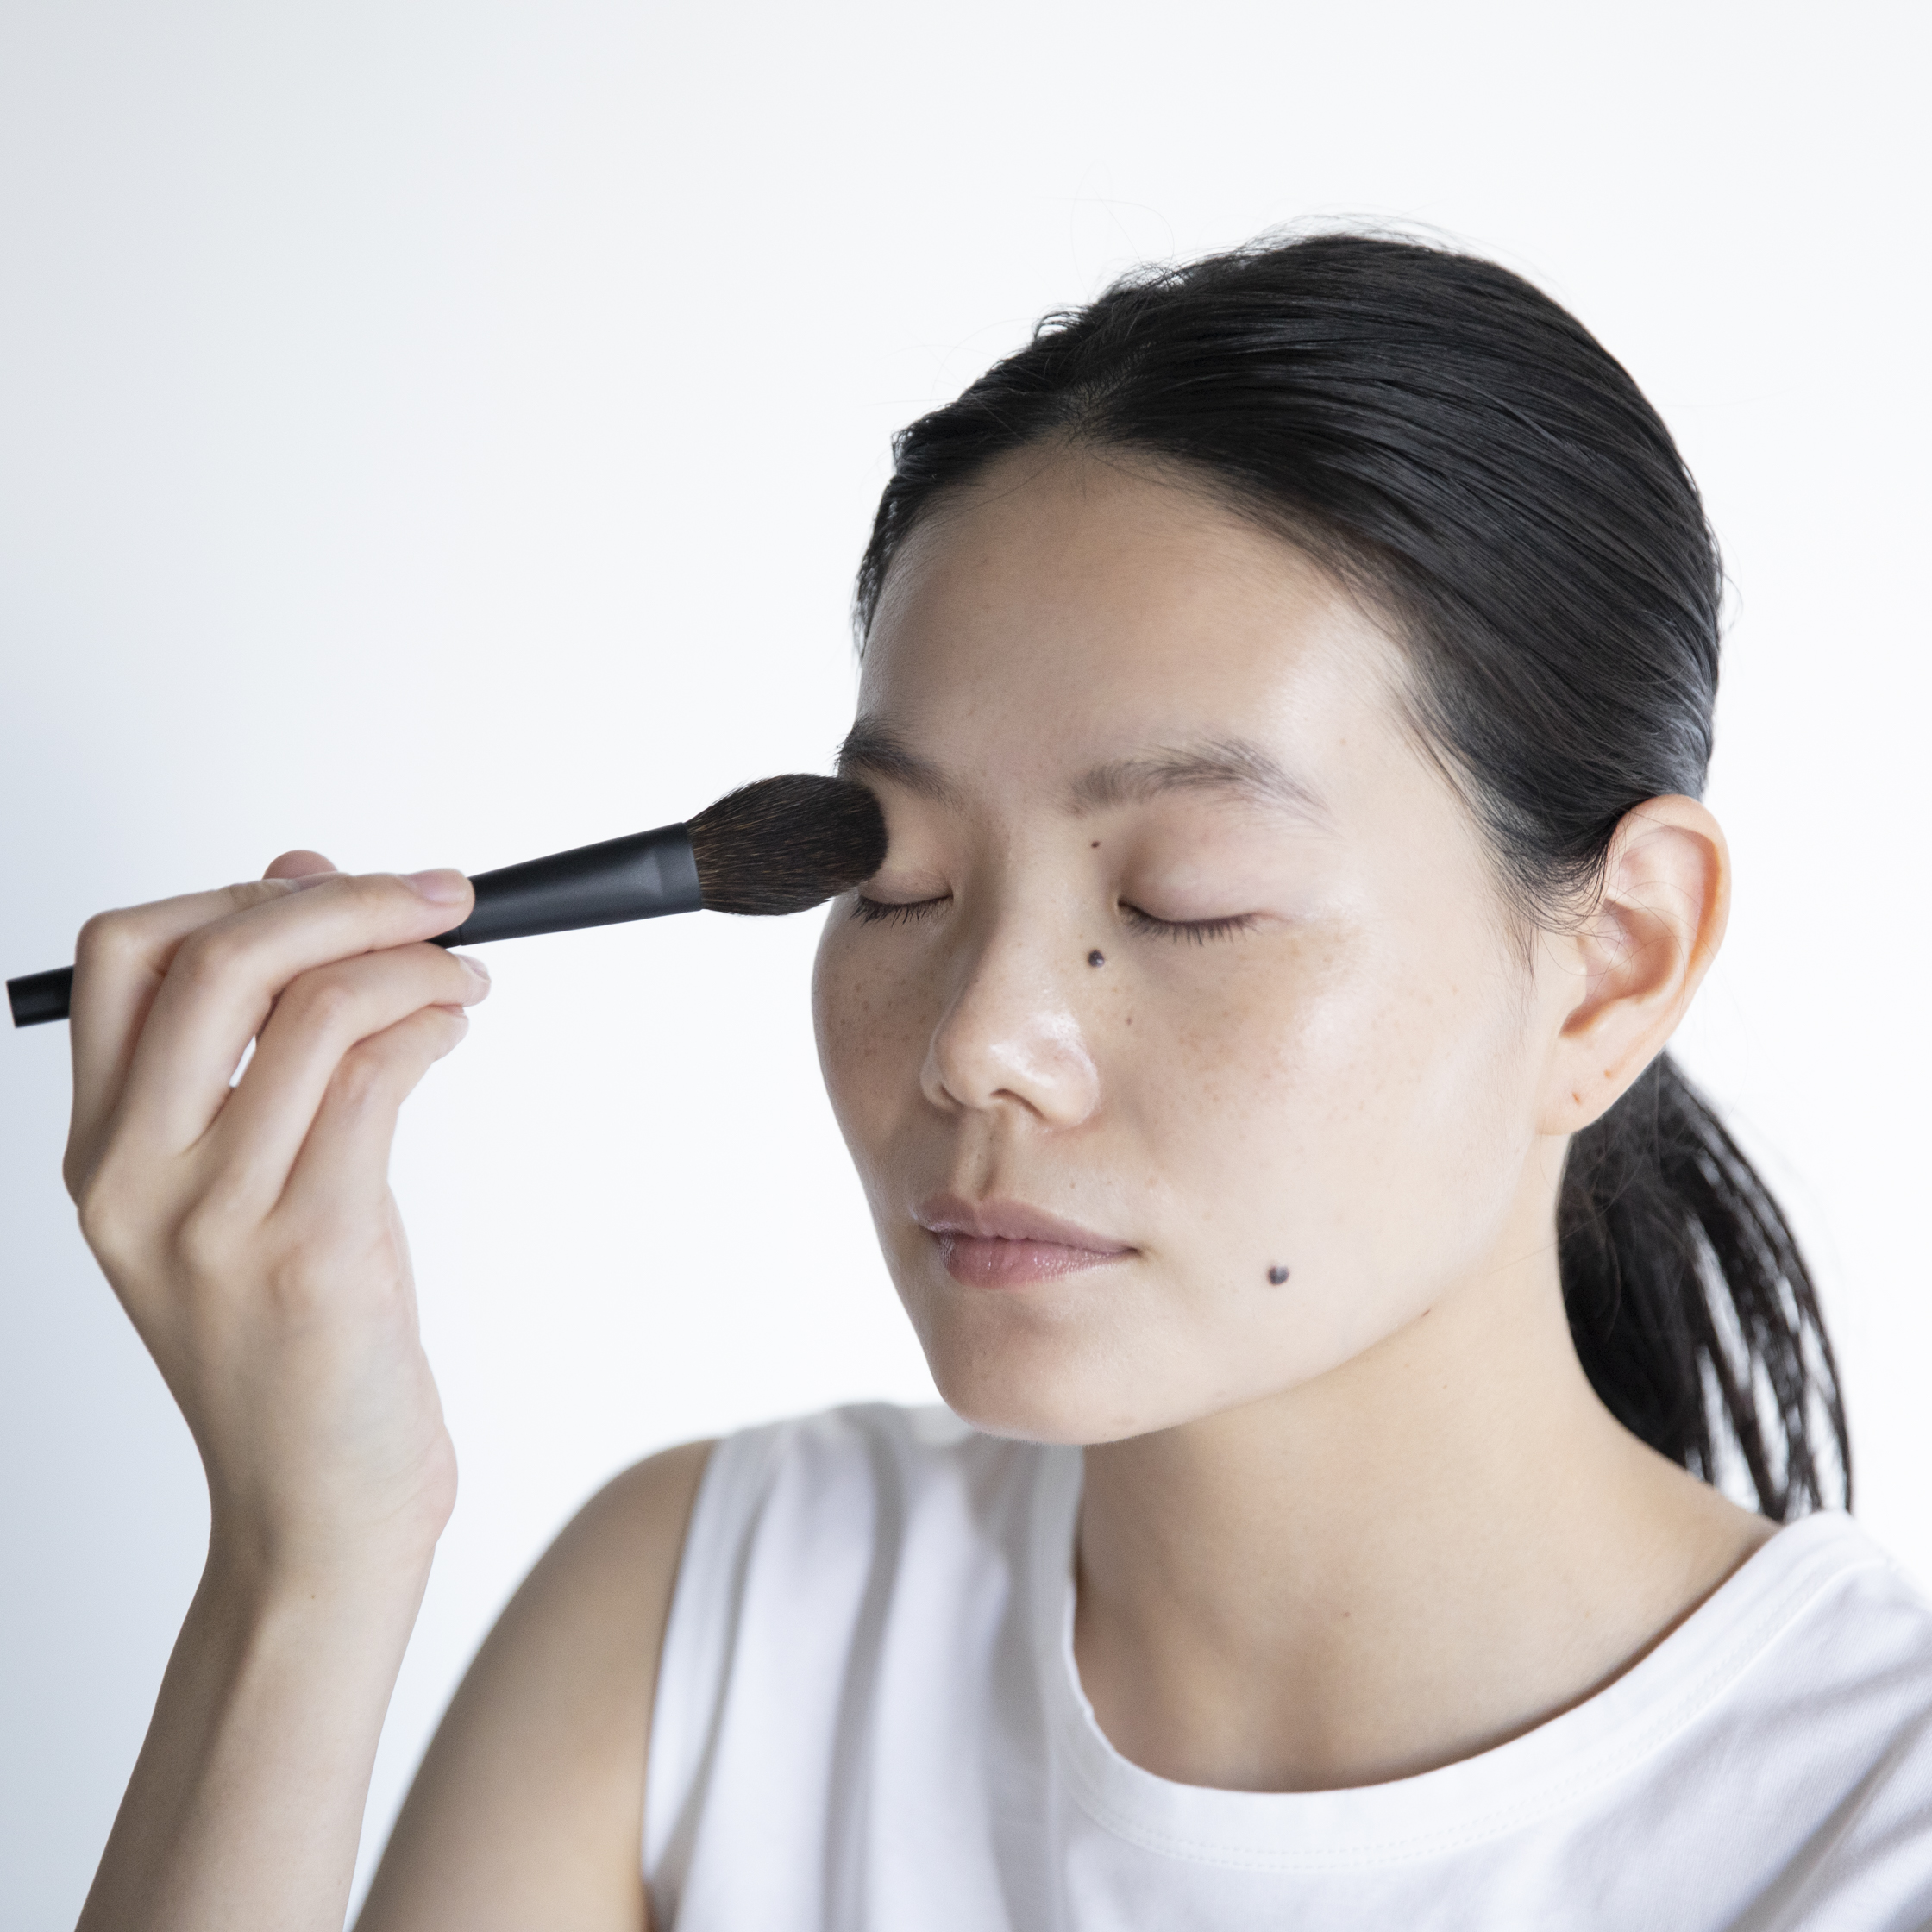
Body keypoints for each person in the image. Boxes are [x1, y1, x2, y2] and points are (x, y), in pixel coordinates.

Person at [61, 233, 1932, 1931]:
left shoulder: (1871, 1824)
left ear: (1615, 962)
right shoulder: (718, 1626)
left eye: (1185, 896)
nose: (975, 1038)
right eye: (900, 884)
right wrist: (307, 1562)